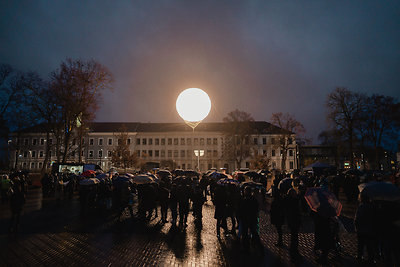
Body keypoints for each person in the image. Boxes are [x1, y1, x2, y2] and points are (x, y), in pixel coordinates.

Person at [354, 193, 376, 264]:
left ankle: (360, 257)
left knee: (361, 245)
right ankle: (371, 259)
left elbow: (358, 218)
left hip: (362, 229)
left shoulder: (362, 206)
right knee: (369, 245)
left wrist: (356, 226)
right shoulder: (372, 206)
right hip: (370, 229)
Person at [285, 187, 302, 263]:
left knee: (293, 234)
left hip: (291, 220)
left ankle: (293, 248)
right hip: (294, 220)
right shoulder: (294, 201)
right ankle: (294, 248)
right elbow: (297, 211)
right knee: (294, 235)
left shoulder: (288, 200)